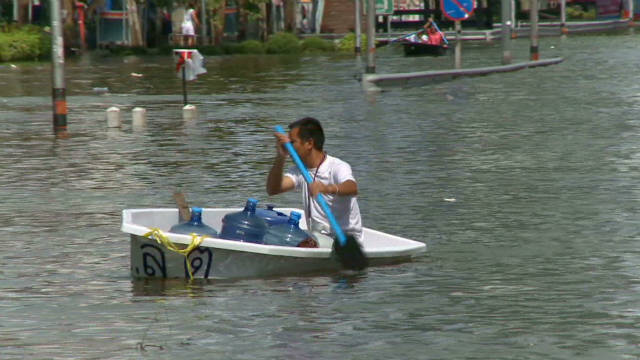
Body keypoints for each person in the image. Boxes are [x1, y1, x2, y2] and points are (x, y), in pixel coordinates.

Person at [266, 117, 363, 248]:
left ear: (309, 143)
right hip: (319, 237)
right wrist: (280, 157)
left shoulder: (337, 166)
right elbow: (273, 189)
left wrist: (326, 188)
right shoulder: (299, 171)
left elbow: (352, 187)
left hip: (345, 241)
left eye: (292, 142)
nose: (288, 147)